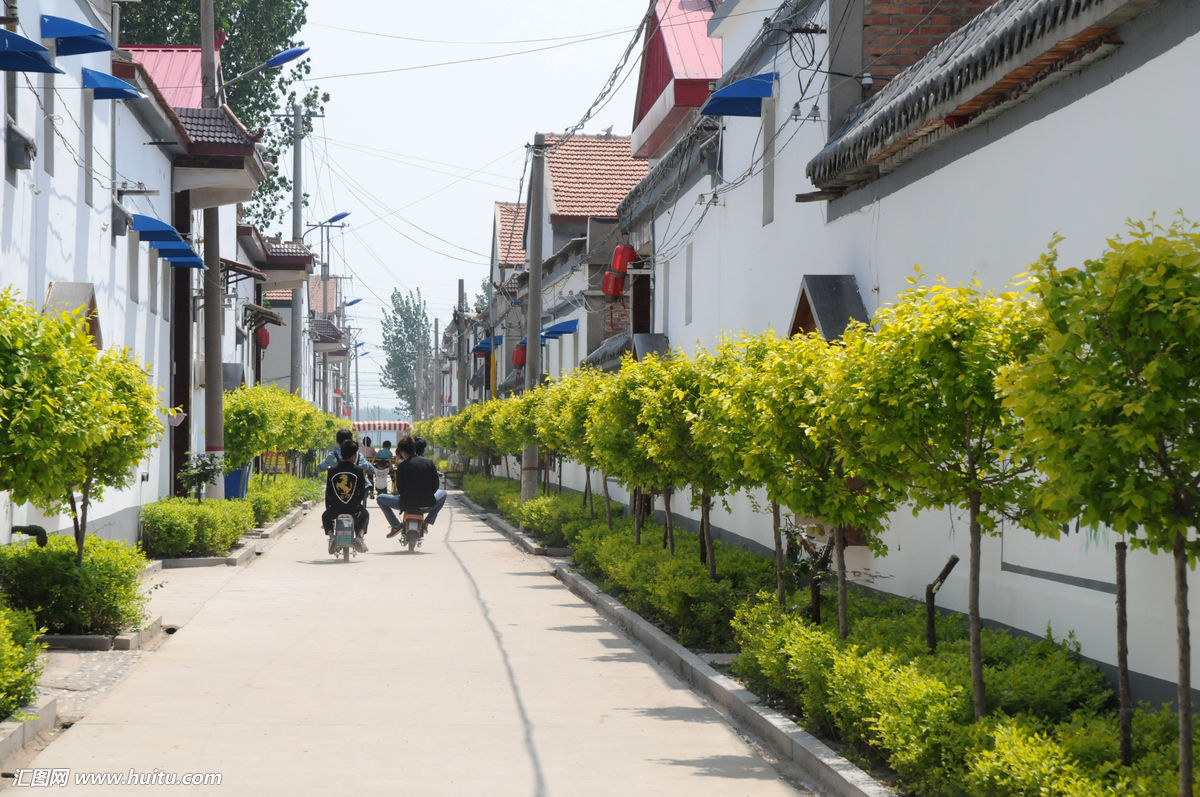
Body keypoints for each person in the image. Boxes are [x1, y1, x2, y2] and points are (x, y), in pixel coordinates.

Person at [378, 435, 441, 538]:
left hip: (406, 504)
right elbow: (436, 485)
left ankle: (396, 525)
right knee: (444, 494)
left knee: (380, 498)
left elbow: (400, 488)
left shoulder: (402, 466)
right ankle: (427, 522)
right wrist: (427, 495)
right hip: (427, 504)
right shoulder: (429, 462)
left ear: (402, 452)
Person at [321, 440, 369, 553]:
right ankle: (360, 537)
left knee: (325, 517)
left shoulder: (332, 471)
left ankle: (332, 537)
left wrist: (329, 508)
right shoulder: (358, 470)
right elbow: (362, 492)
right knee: (365, 515)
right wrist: (357, 503)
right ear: (354, 455)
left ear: (342, 454)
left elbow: (329, 492)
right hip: (354, 509)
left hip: (336, 509)